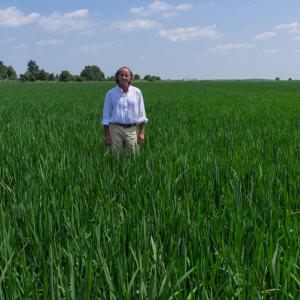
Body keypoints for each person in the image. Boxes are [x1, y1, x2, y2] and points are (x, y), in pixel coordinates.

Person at [102, 66, 148, 156]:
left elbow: (141, 114)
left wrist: (142, 132)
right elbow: (106, 116)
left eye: (126, 75)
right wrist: (107, 134)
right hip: (115, 129)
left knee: (133, 157)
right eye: (121, 75)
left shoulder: (137, 92)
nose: (124, 77)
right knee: (115, 157)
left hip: (132, 130)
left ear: (130, 78)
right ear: (117, 77)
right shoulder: (110, 93)